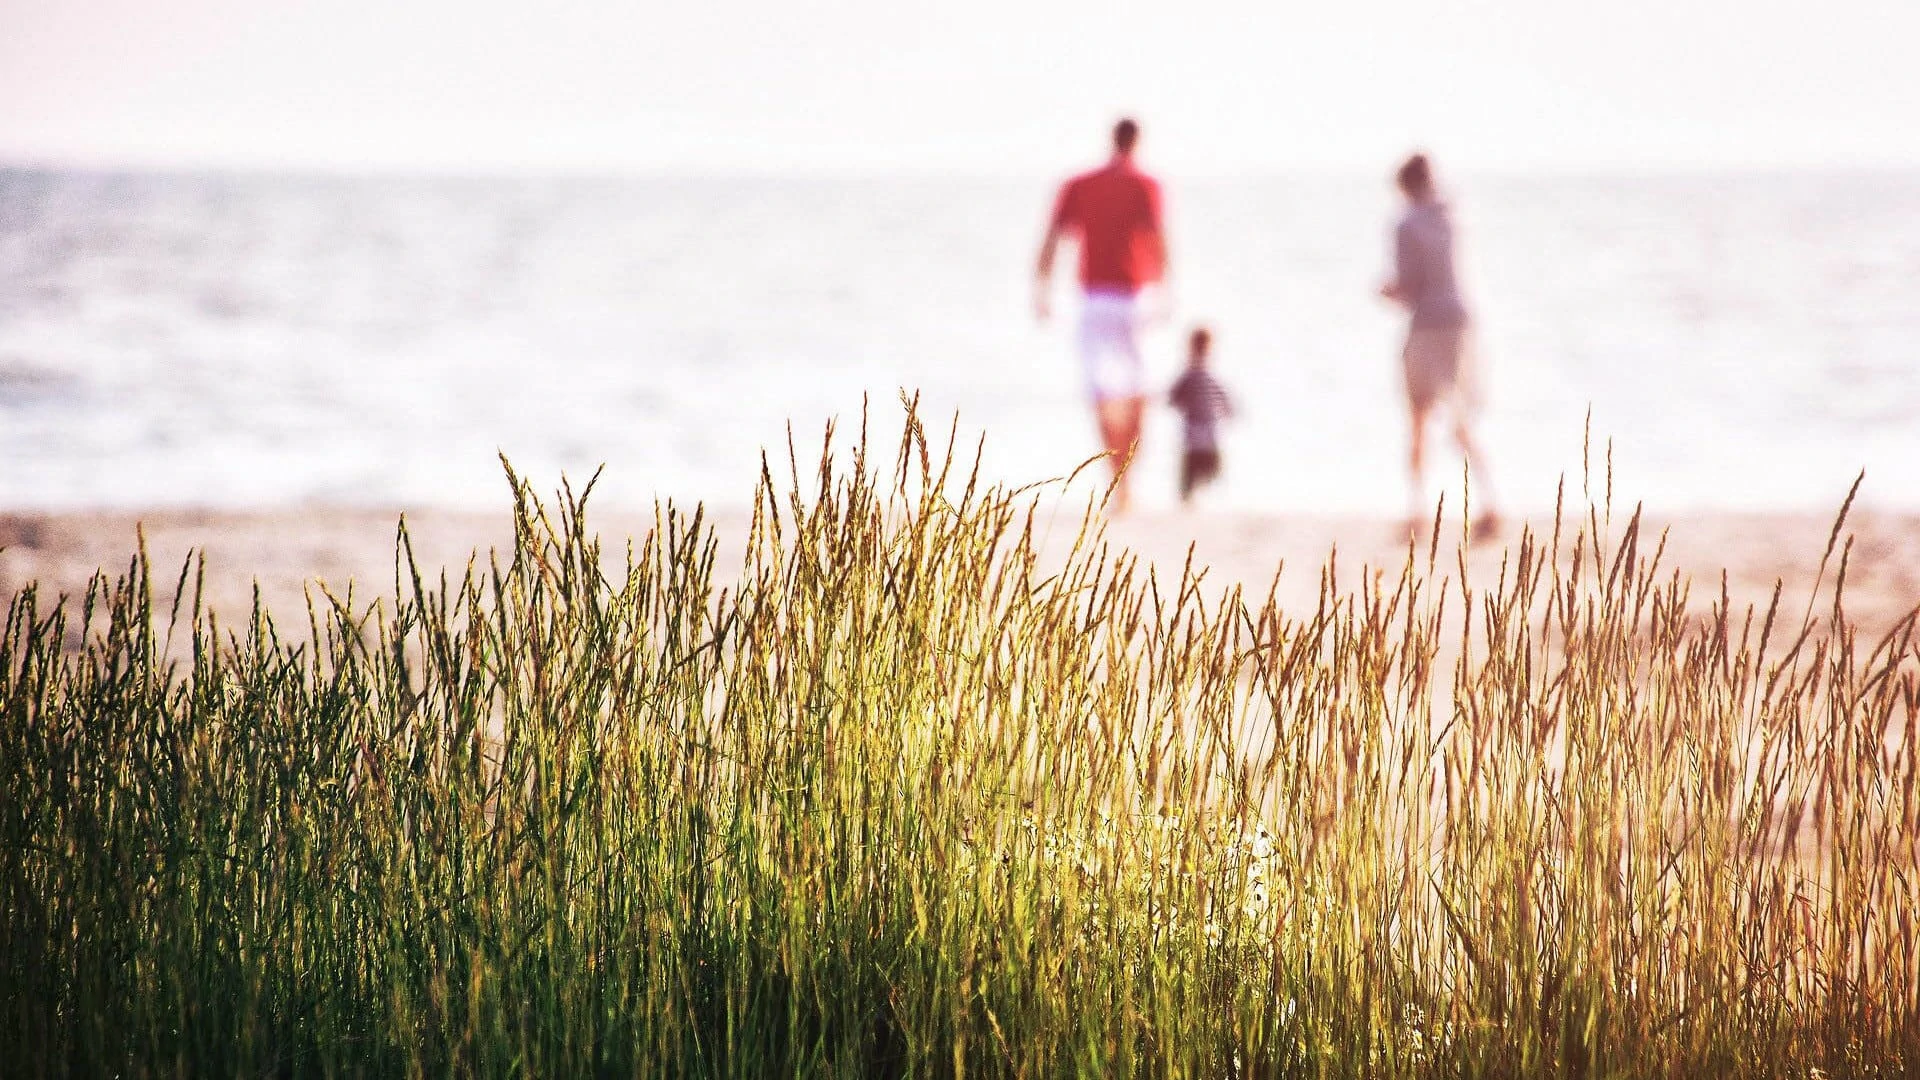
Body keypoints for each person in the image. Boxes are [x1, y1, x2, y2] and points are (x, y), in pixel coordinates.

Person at [1035, 117, 1168, 513]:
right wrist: (1167, 289)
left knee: (1102, 391)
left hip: (1094, 299)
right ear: (1137, 141)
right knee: (1139, 390)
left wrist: (1041, 289)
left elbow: (1052, 239)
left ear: (1111, 139)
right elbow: (1160, 240)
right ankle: (1128, 477)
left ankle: (1118, 475)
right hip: (1136, 296)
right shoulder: (1146, 185)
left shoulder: (1079, 185)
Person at [1379, 153, 1498, 540]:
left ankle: (1417, 511)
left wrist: (1386, 292)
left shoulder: (1407, 223)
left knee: (1418, 417)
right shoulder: (1453, 217)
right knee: (1460, 418)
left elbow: (1409, 287)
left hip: (1428, 323)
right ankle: (1490, 501)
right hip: (1463, 321)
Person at [1168, 326, 1234, 504]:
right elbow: (1173, 398)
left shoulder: (1205, 376)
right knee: (1196, 468)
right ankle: (1189, 498)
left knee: (1207, 467)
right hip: (1197, 432)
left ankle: (1195, 495)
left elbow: (1173, 399)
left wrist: (1228, 411)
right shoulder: (1191, 376)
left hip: (1205, 432)